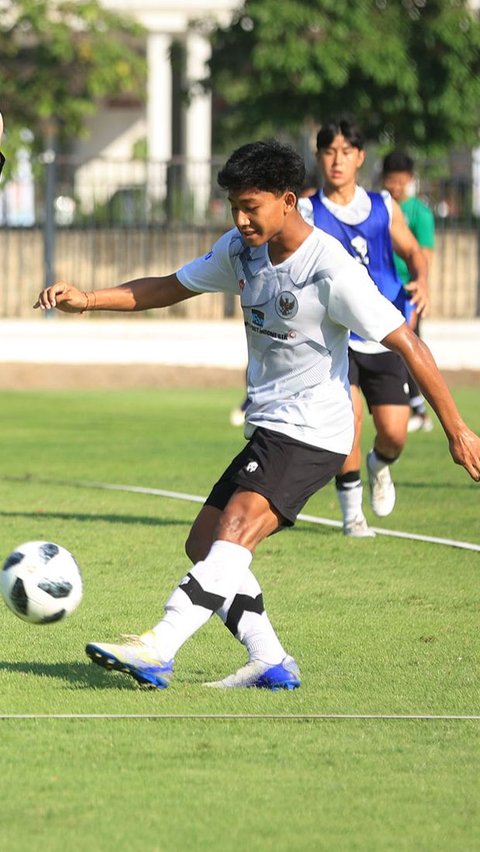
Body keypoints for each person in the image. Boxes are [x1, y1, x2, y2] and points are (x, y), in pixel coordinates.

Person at [34, 140, 480, 691]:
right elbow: (171, 286)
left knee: (236, 530)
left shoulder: (330, 270)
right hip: (271, 426)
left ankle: (158, 645)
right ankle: (269, 660)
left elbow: (408, 344)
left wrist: (458, 430)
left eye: (251, 207)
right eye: (234, 208)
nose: (240, 219)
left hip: (315, 431)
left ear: (288, 201)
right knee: (204, 544)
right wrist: (89, 299)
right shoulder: (241, 251)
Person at [299, 118, 429, 538]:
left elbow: (413, 251)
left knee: (394, 432)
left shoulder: (382, 206)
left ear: (360, 157)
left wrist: (422, 281)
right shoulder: (306, 209)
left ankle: (379, 465)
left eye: (345, 152)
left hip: (383, 331)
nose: (337, 160)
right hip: (334, 334)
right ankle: (352, 514)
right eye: (329, 151)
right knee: (349, 417)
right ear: (319, 157)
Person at [382, 151, 436, 433]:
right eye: (391, 180)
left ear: (410, 181)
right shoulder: (378, 208)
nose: (395, 187)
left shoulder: (420, 213)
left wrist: (417, 294)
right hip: (381, 291)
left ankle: (419, 410)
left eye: (400, 181)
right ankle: (416, 408)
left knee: (409, 350)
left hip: (407, 293)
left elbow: (424, 254)